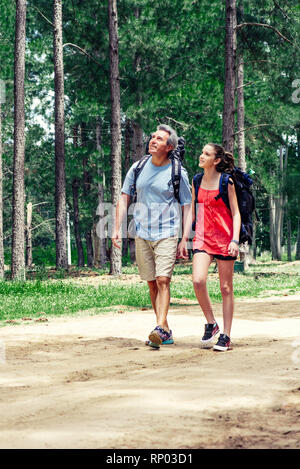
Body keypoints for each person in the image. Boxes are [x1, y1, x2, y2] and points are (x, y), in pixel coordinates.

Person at [112, 124, 192, 348]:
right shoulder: (138, 167)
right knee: (152, 283)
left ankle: (158, 328)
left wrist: (184, 238)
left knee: (163, 279)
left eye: (159, 139)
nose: (153, 141)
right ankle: (164, 329)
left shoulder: (177, 172)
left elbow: (188, 205)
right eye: (152, 137)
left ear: (169, 147)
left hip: (167, 232)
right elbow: (124, 196)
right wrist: (117, 228)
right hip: (142, 232)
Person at [178, 143, 241, 351]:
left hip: (224, 238)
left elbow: (235, 213)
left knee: (225, 288)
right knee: (198, 280)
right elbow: (193, 212)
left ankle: (226, 335)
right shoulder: (197, 180)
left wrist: (235, 240)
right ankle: (211, 323)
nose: (201, 155)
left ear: (216, 160)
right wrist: (185, 237)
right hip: (203, 238)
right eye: (201, 152)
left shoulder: (226, 181)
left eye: (207, 154)